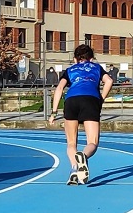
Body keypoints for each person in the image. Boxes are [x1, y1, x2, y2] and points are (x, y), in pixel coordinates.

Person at [48, 44, 113, 185]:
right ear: (91, 58)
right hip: (91, 99)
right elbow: (109, 81)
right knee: (92, 142)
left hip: (71, 100)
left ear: (75, 59)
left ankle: (74, 169)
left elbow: (59, 88)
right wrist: (101, 98)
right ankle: (83, 156)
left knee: (71, 143)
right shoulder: (96, 68)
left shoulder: (70, 70)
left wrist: (54, 112)